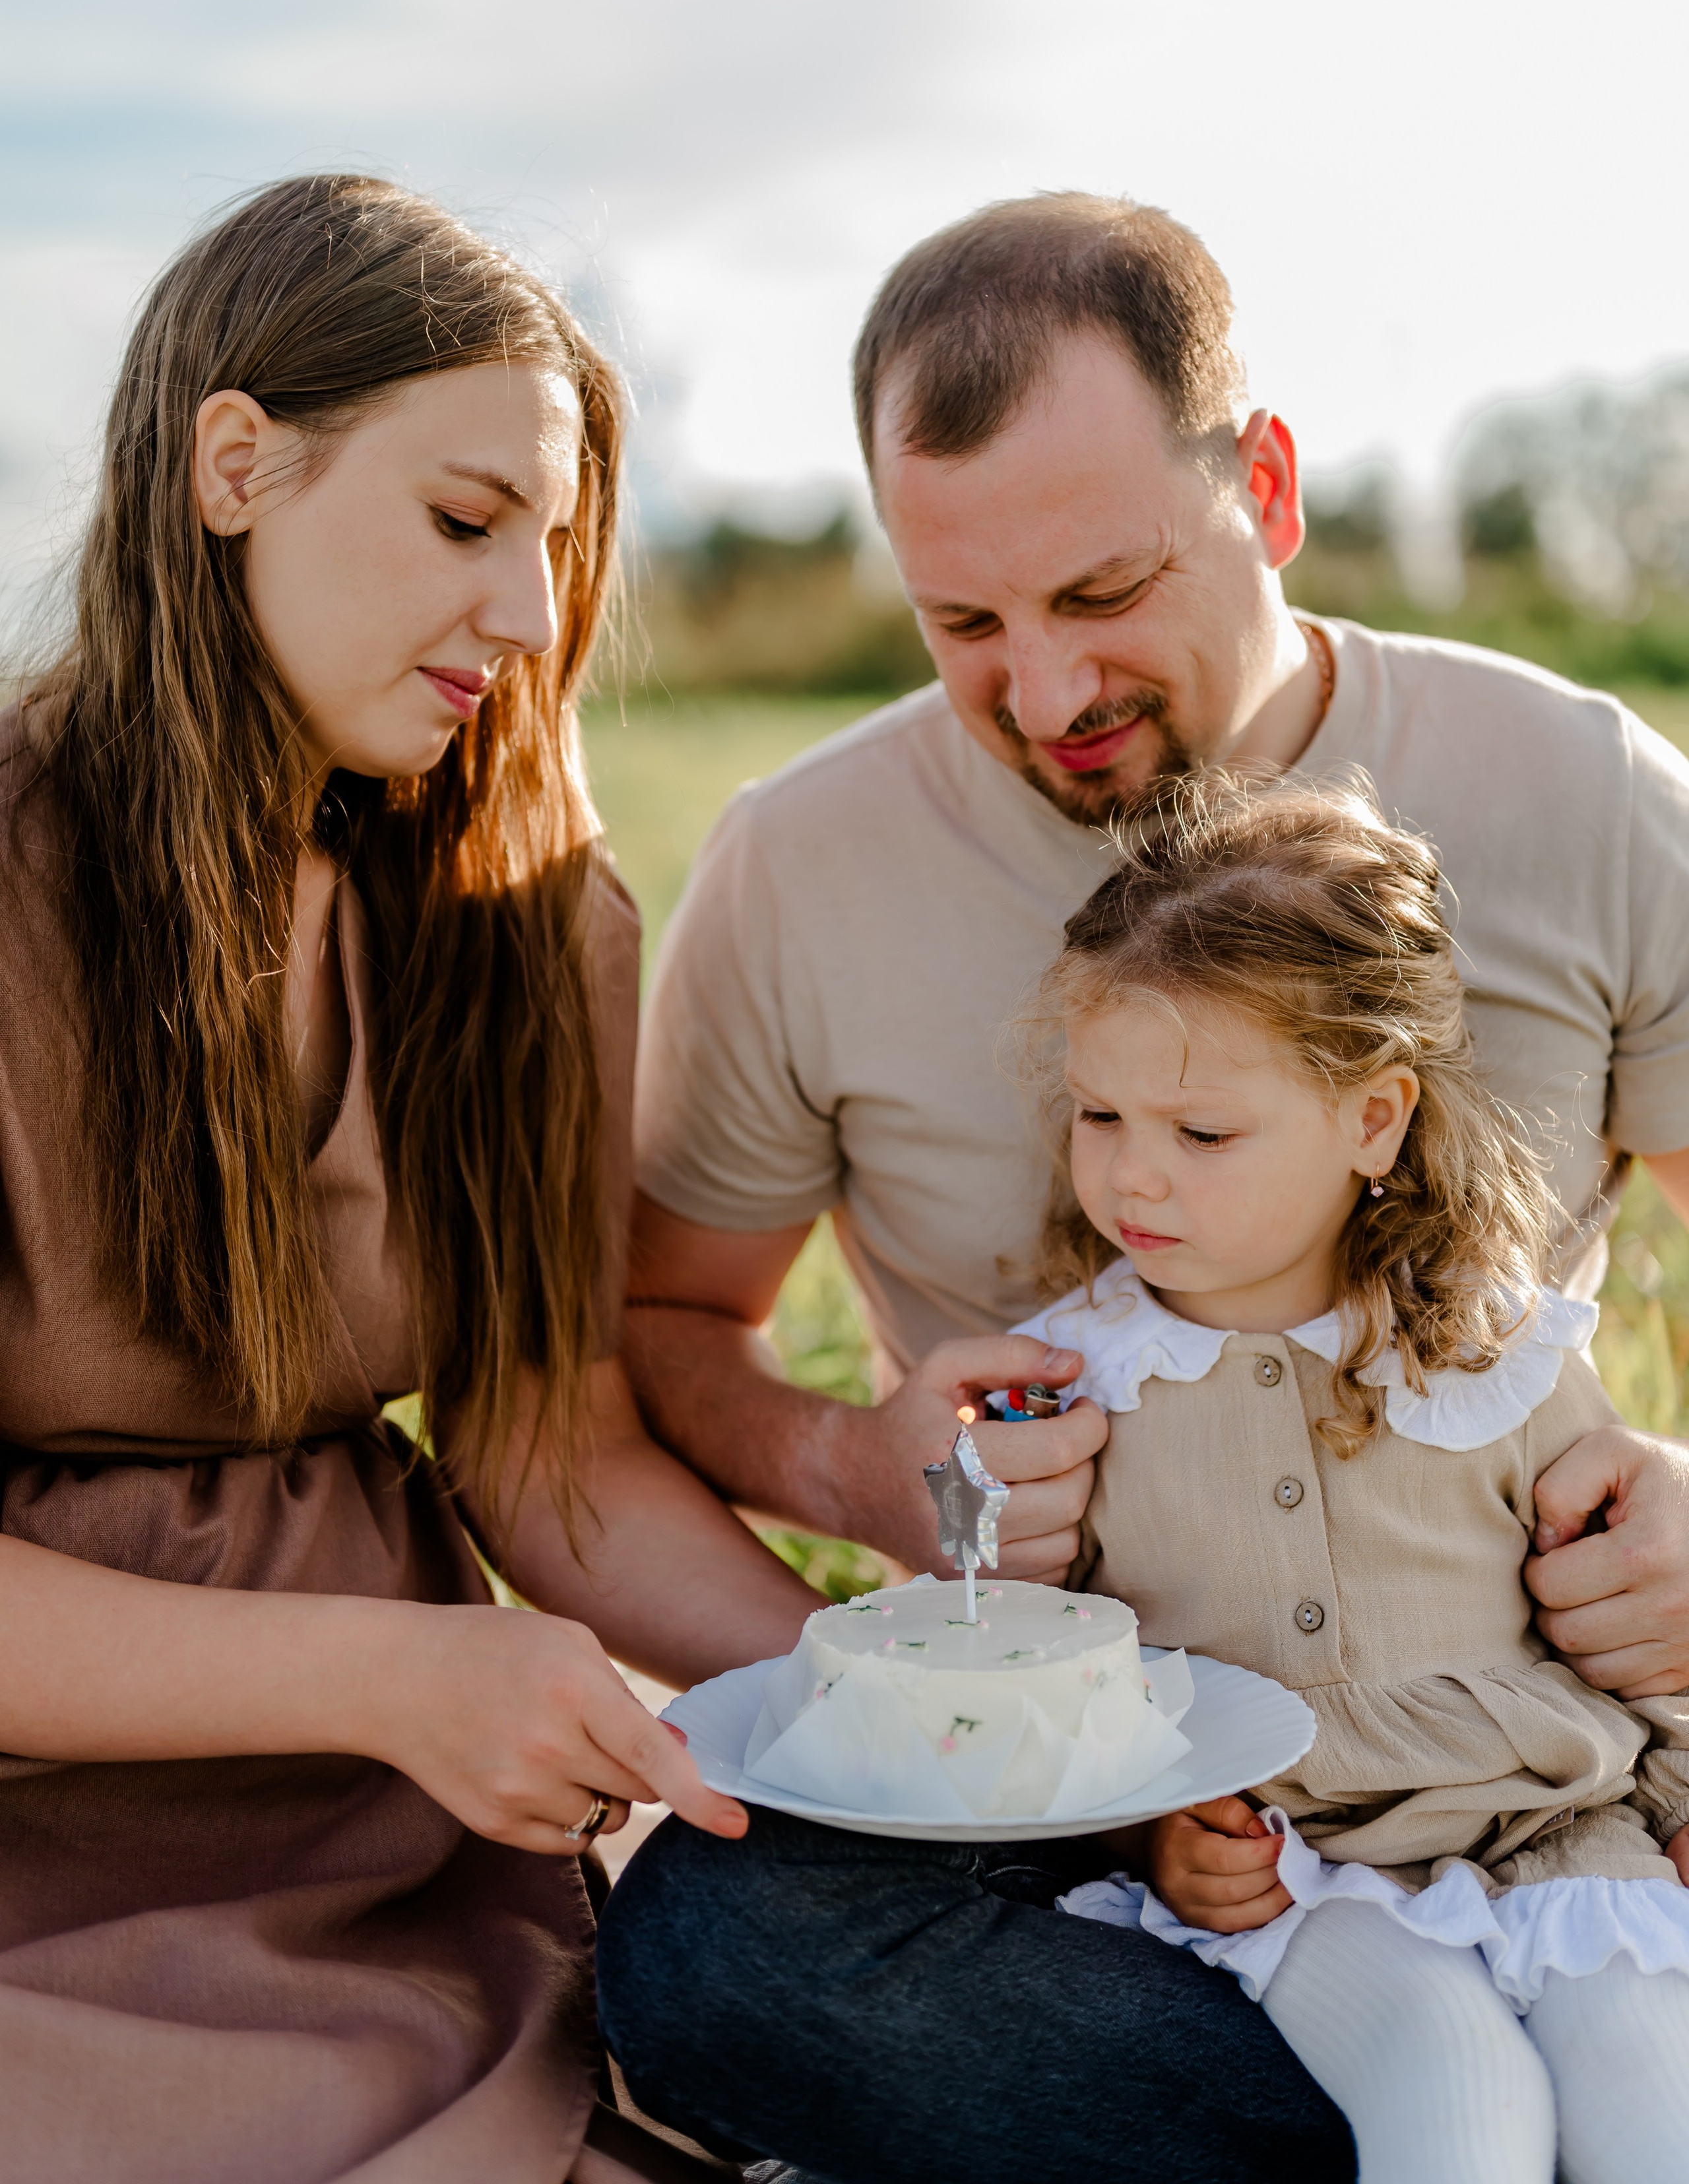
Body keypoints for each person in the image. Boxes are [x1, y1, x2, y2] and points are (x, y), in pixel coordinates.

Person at [600, 193, 1689, 2179]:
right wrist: (859, 1476)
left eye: (1104, 589)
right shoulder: (797, 870)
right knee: (710, 1951)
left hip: (1522, 1744)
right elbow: (668, 1328)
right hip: (1097, 1797)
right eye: (964, 625)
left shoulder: (1588, 791)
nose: (1040, 690)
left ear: (1263, 487)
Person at [0, 174, 820, 2184]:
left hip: (400, 1846)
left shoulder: (534, 924)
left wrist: (895, 1703)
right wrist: (391, 1670)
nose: (534, 617)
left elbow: (547, 1448)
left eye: (555, 549)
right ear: (234, 466)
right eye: (469, 523)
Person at [1025, 776, 1689, 2184]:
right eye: (1098, 1117)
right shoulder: (1079, 1385)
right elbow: (1047, 1678)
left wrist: (1683, 1801)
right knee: (1459, 2106)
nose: (1133, 1178)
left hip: (1561, 1824)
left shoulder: (1498, 1353)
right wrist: (1150, 1831)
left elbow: (1631, 1612)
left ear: (1371, 1120)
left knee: (1653, 2110)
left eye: (1200, 1134)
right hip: (1300, 1867)